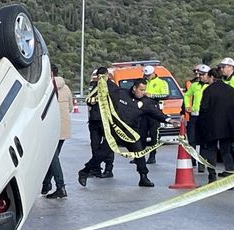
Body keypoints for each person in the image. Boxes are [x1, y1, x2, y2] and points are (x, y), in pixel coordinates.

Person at [78, 78, 174, 187]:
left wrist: (169, 120)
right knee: (101, 154)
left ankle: (143, 177)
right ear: (134, 88)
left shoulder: (146, 101)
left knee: (139, 155)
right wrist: (102, 79)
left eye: (144, 90)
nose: (144, 92)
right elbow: (107, 86)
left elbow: (156, 113)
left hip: (131, 133)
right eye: (141, 90)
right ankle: (84, 172)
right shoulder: (120, 94)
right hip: (116, 131)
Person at [198, 67, 234, 182]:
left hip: (212, 127)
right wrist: (233, 120)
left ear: (212, 77)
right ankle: (231, 175)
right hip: (228, 126)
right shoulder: (231, 90)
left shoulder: (208, 90)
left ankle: (212, 176)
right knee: (226, 151)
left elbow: (203, 109)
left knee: (211, 151)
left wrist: (201, 126)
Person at [42, 65, 73, 199]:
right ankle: (46, 183)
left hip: (51, 128)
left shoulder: (46, 87)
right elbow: (71, 107)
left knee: (52, 158)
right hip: (64, 128)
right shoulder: (66, 88)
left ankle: (60, 187)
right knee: (53, 158)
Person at [85, 67, 115, 178]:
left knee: (108, 146)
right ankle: (96, 168)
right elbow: (89, 100)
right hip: (95, 120)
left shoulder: (112, 87)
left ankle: (108, 169)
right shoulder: (95, 87)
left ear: (107, 76)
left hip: (107, 120)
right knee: (95, 145)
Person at [140, 64, 170, 164]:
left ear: (153, 73)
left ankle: (152, 156)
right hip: (143, 111)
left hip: (155, 111)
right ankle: (140, 156)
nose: (146, 77)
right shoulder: (142, 82)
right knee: (141, 135)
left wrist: (152, 95)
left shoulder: (161, 82)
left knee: (154, 135)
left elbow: (166, 95)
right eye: (145, 75)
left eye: (148, 75)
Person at [183, 64, 210, 172]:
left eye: (203, 75)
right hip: (194, 115)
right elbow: (187, 95)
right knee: (192, 139)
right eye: (199, 74)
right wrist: (187, 106)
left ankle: (201, 163)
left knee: (204, 141)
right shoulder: (194, 85)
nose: (200, 76)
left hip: (205, 116)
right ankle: (193, 160)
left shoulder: (210, 86)